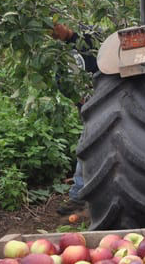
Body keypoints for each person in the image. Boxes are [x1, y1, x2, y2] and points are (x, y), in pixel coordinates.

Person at [51, 22, 99, 215]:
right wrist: (75, 97)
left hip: (102, 102)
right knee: (88, 146)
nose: (53, 34)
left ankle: (79, 195)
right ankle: (81, 194)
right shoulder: (60, 53)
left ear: (64, 24)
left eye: (54, 28)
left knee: (86, 147)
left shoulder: (87, 41)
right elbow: (60, 81)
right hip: (86, 105)